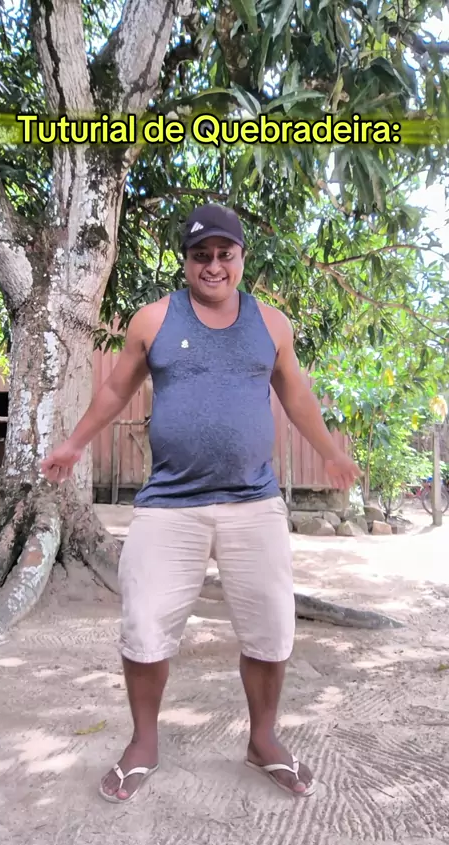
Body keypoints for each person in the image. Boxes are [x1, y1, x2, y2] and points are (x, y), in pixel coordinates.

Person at [41, 204, 361, 805]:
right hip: (169, 505)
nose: (213, 265)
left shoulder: (271, 324)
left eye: (224, 254)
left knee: (270, 627)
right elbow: (116, 388)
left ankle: (263, 740)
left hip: (254, 502)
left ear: (241, 257)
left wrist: (329, 452)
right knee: (143, 626)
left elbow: (296, 394)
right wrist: (74, 443)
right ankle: (143, 743)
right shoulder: (155, 319)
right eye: (200, 255)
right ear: (185, 262)